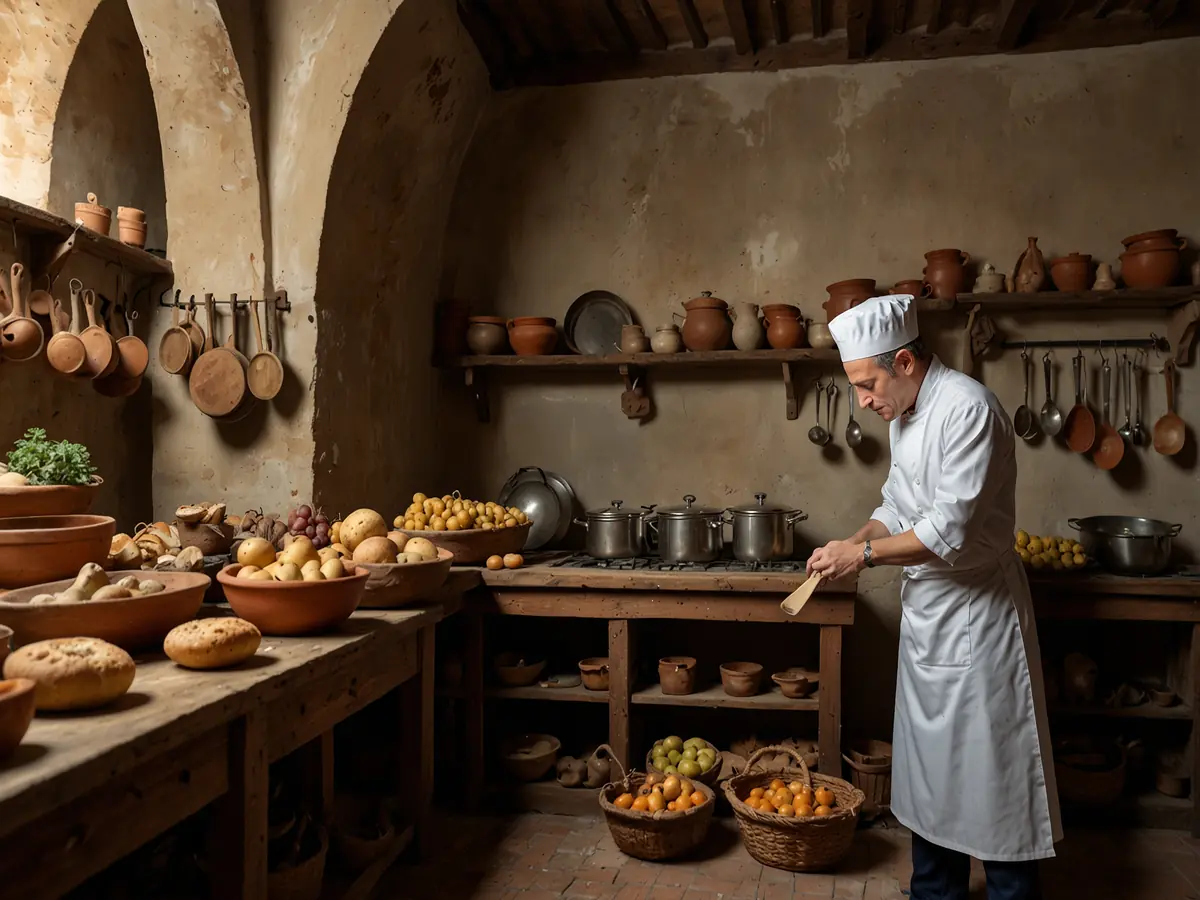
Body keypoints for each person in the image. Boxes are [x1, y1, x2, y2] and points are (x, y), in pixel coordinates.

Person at [806, 295, 1060, 900]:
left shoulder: (969, 409)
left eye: (867, 385)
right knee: (932, 775)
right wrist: (856, 537)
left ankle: (1010, 891)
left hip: (980, 618)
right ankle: (935, 891)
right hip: (930, 622)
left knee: (994, 777)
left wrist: (861, 558)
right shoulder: (906, 415)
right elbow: (897, 505)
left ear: (904, 361)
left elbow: (950, 529)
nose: (864, 403)